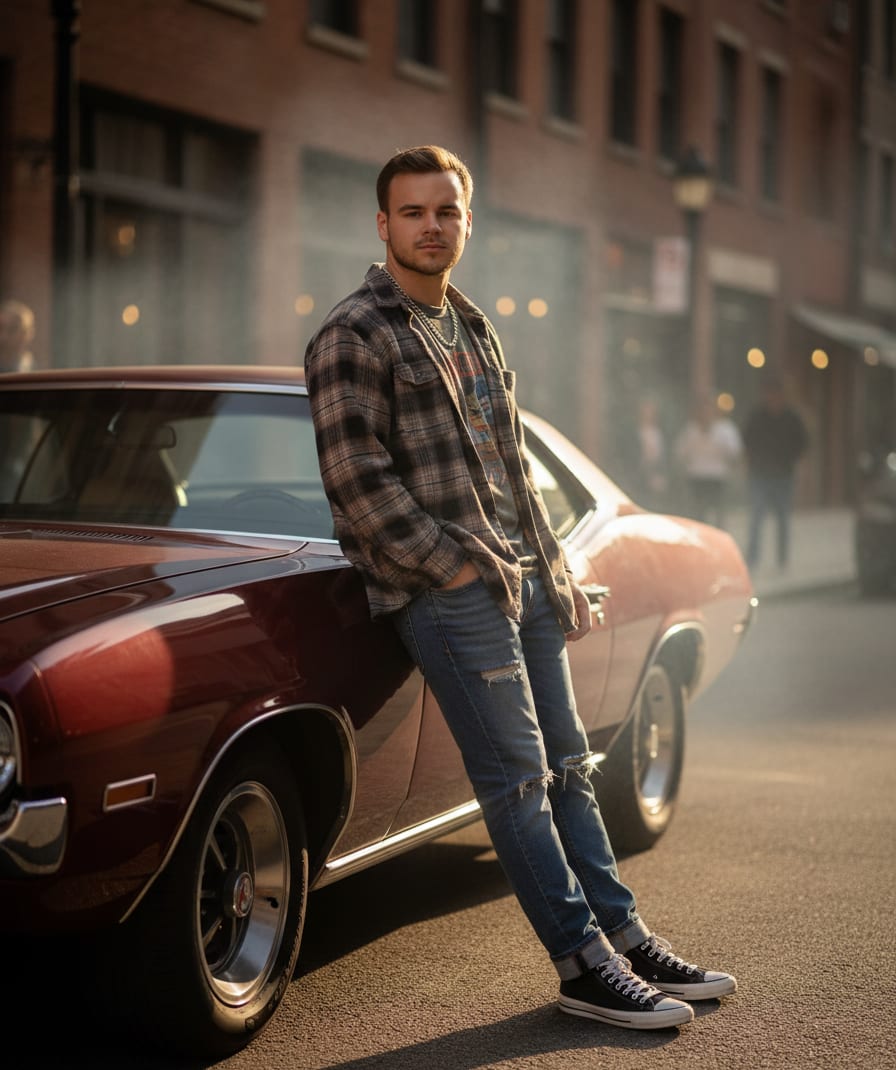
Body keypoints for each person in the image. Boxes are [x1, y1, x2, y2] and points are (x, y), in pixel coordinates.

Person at [304, 145, 736, 1032]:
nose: (432, 226)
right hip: (449, 594)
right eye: (413, 212)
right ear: (382, 224)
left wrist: (556, 571)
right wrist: (455, 562)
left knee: (572, 770)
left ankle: (626, 935)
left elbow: (512, 474)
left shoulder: (472, 327)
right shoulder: (355, 333)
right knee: (517, 783)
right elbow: (357, 482)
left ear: (467, 221)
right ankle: (583, 966)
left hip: (525, 584)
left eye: (447, 212)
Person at [742, 376, 809, 569]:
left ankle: (783, 559)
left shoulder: (792, 417)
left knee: (783, 519)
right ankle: (753, 558)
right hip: (760, 474)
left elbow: (803, 443)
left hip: (784, 474)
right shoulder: (757, 416)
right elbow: (747, 442)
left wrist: (799, 465)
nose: (771, 399)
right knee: (756, 516)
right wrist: (747, 465)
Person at [674, 393, 743, 529]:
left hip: (717, 478)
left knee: (719, 517)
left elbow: (735, 452)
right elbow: (680, 453)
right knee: (697, 516)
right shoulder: (691, 430)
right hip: (697, 477)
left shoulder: (726, 429)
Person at [0, 299, 36, 373]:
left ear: (26, 334)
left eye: (12, 329)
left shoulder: (38, 373)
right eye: (0, 328)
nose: (3, 337)